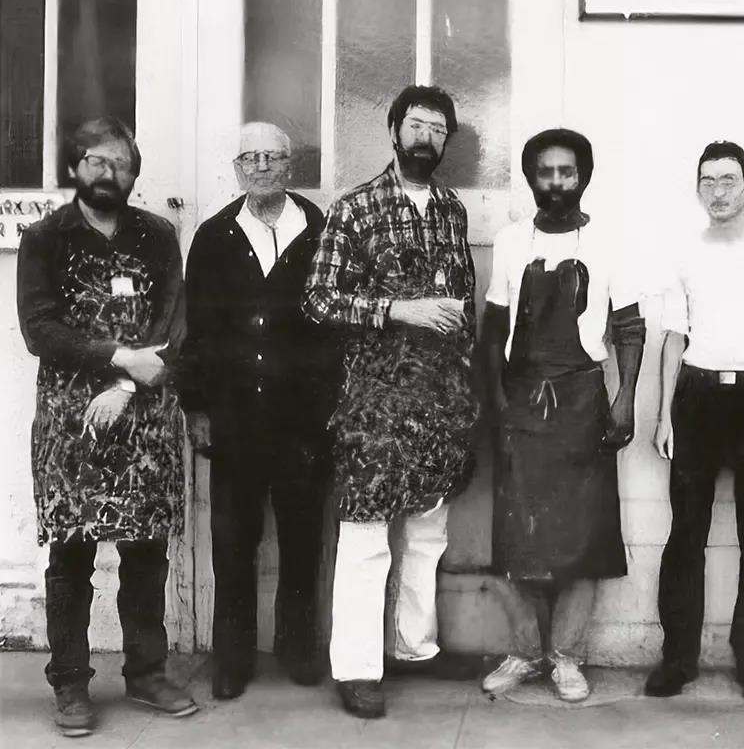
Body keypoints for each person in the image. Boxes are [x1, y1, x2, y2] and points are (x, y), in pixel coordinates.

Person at [16, 117, 196, 737]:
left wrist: (127, 384)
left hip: (144, 416)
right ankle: (69, 685)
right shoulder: (45, 237)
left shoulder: (157, 235)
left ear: (134, 172)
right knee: (71, 556)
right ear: (74, 168)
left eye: (119, 163)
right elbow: (40, 329)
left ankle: (147, 672)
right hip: (73, 423)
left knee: (147, 555)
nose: (107, 173)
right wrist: (118, 359)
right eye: (95, 161)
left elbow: (175, 324)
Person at [304, 85, 479, 718]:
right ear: (394, 130)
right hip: (375, 400)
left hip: (440, 401)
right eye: (416, 125)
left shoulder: (453, 209)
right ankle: (356, 668)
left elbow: (465, 305)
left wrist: (466, 383)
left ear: (446, 141)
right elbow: (318, 300)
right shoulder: (355, 207)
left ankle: (415, 647)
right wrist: (399, 310)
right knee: (366, 536)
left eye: (437, 128)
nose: (426, 137)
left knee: (430, 532)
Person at [479, 128, 645, 703]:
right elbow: (494, 329)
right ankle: (525, 651)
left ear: (584, 177)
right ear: (531, 179)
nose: (555, 183)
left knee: (582, 538)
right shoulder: (508, 241)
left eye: (566, 172)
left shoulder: (609, 244)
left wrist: (623, 401)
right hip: (522, 399)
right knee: (516, 535)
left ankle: (567, 657)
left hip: (582, 399)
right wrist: (496, 403)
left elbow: (628, 327)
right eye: (545, 172)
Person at [644, 141, 744, 704]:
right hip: (697, 394)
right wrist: (664, 414)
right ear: (697, 189)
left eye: (729, 180)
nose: (718, 191)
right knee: (685, 534)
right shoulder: (684, 252)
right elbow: (672, 337)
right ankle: (678, 657)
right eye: (708, 180)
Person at [179, 123, 338, 699]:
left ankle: (298, 649)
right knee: (233, 540)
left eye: (274, 157)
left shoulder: (323, 231)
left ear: (291, 165)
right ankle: (232, 660)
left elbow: (337, 328)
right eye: (252, 158)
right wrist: (197, 408)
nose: (263, 167)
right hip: (235, 417)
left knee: (302, 539)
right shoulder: (214, 236)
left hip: (304, 419)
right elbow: (196, 329)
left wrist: (333, 406)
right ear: (237, 167)